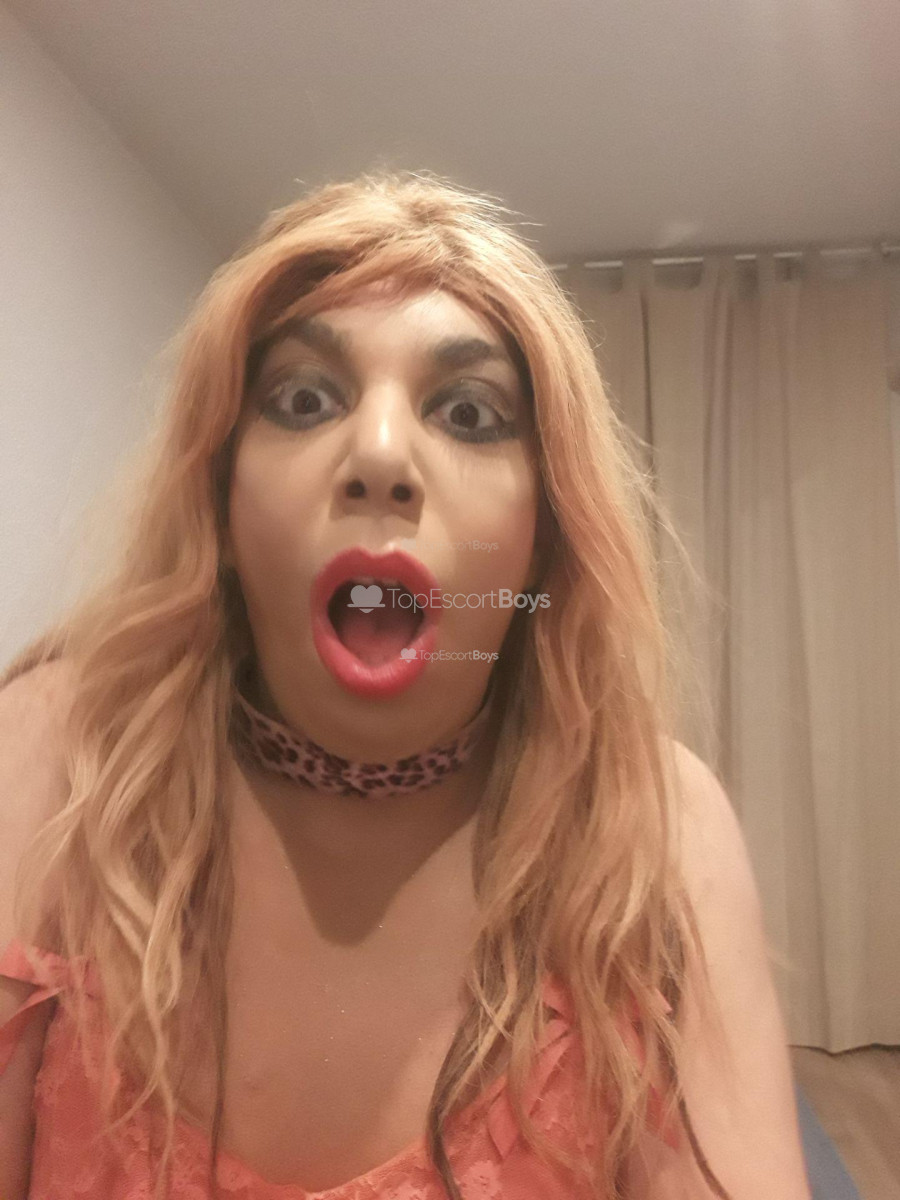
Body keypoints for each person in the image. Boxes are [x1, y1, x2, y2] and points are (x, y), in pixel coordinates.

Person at [0, 170, 811, 1199]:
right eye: (303, 399)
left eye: (470, 414)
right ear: (223, 506)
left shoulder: (654, 827)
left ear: (542, 536)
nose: (380, 455)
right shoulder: (59, 759)